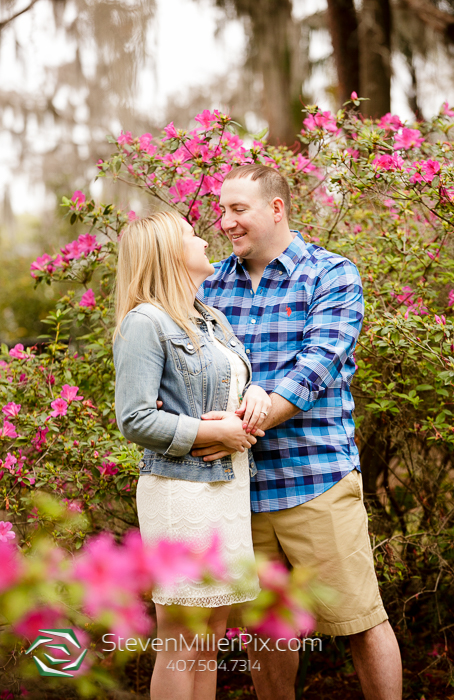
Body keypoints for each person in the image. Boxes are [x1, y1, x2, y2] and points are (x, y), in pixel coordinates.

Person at [194, 164, 403, 700]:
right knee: (267, 627)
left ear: (276, 208)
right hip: (241, 487)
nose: (226, 222)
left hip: (316, 480)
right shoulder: (210, 284)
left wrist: (253, 413)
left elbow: (319, 364)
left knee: (359, 619)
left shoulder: (332, 274)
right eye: (222, 210)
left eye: (238, 209)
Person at [112, 211, 270, 700]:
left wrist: (257, 393)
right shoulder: (145, 322)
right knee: (183, 638)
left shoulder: (212, 319)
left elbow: (222, 389)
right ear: (167, 253)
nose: (203, 238)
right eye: (189, 234)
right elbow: (134, 419)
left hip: (226, 488)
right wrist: (208, 431)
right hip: (181, 492)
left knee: (210, 635)